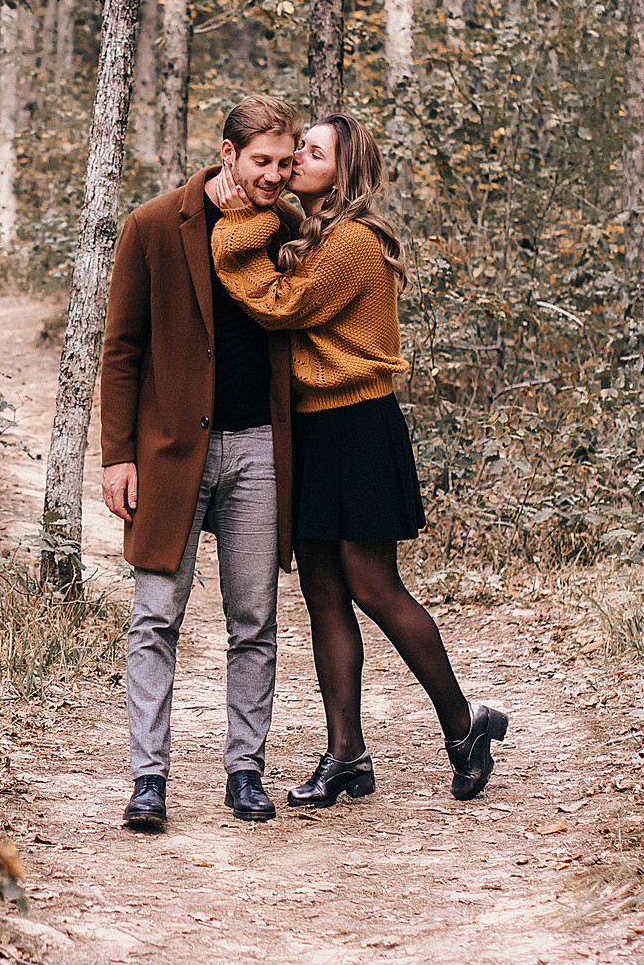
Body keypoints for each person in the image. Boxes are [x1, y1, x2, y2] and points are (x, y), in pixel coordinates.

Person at [205, 112, 509, 805]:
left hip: (359, 426)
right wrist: (261, 212)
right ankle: (346, 754)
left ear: (343, 172)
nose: (293, 163)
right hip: (311, 430)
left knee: (373, 587)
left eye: (311, 154)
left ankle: (465, 726)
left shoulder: (350, 242)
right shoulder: (308, 231)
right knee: (322, 594)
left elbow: (279, 305)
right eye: (295, 152)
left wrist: (235, 220)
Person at [98, 96, 303, 831]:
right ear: (227, 153)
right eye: (261, 161)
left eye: (285, 163)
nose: (274, 176)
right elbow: (122, 348)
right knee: (155, 616)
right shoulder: (154, 224)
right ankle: (147, 780)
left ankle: (245, 770)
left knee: (255, 617)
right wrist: (118, 456)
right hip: (169, 453)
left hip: (260, 448)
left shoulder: (288, 229)